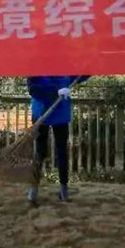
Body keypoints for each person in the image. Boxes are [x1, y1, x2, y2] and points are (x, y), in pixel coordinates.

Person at [26, 75, 90, 205]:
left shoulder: (66, 67)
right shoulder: (35, 68)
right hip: (41, 114)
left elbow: (77, 76)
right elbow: (33, 90)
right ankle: (33, 189)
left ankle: (64, 191)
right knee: (40, 152)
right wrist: (55, 92)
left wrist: (89, 68)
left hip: (61, 113)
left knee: (62, 153)